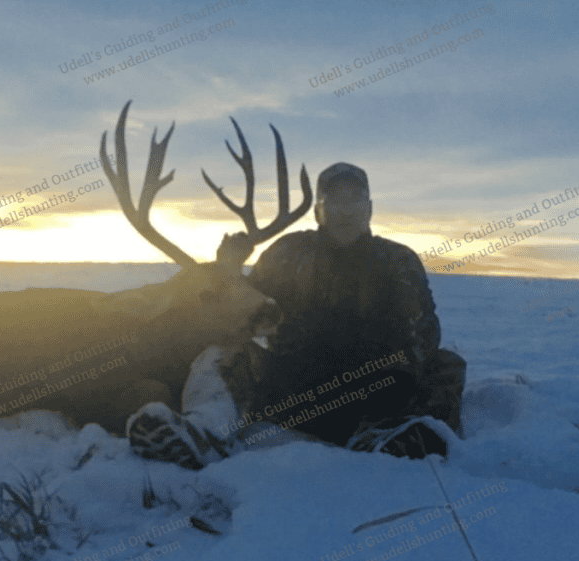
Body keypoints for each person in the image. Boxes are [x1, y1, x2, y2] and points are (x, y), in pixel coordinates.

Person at [127, 162, 466, 467]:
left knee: (446, 364)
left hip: (373, 397)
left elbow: (424, 336)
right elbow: (244, 307)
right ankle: (203, 431)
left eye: (355, 200)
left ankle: (396, 439)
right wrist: (228, 270)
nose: (345, 210)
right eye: (334, 200)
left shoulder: (398, 260)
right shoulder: (288, 252)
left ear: (370, 209)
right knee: (224, 352)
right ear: (319, 210)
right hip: (296, 390)